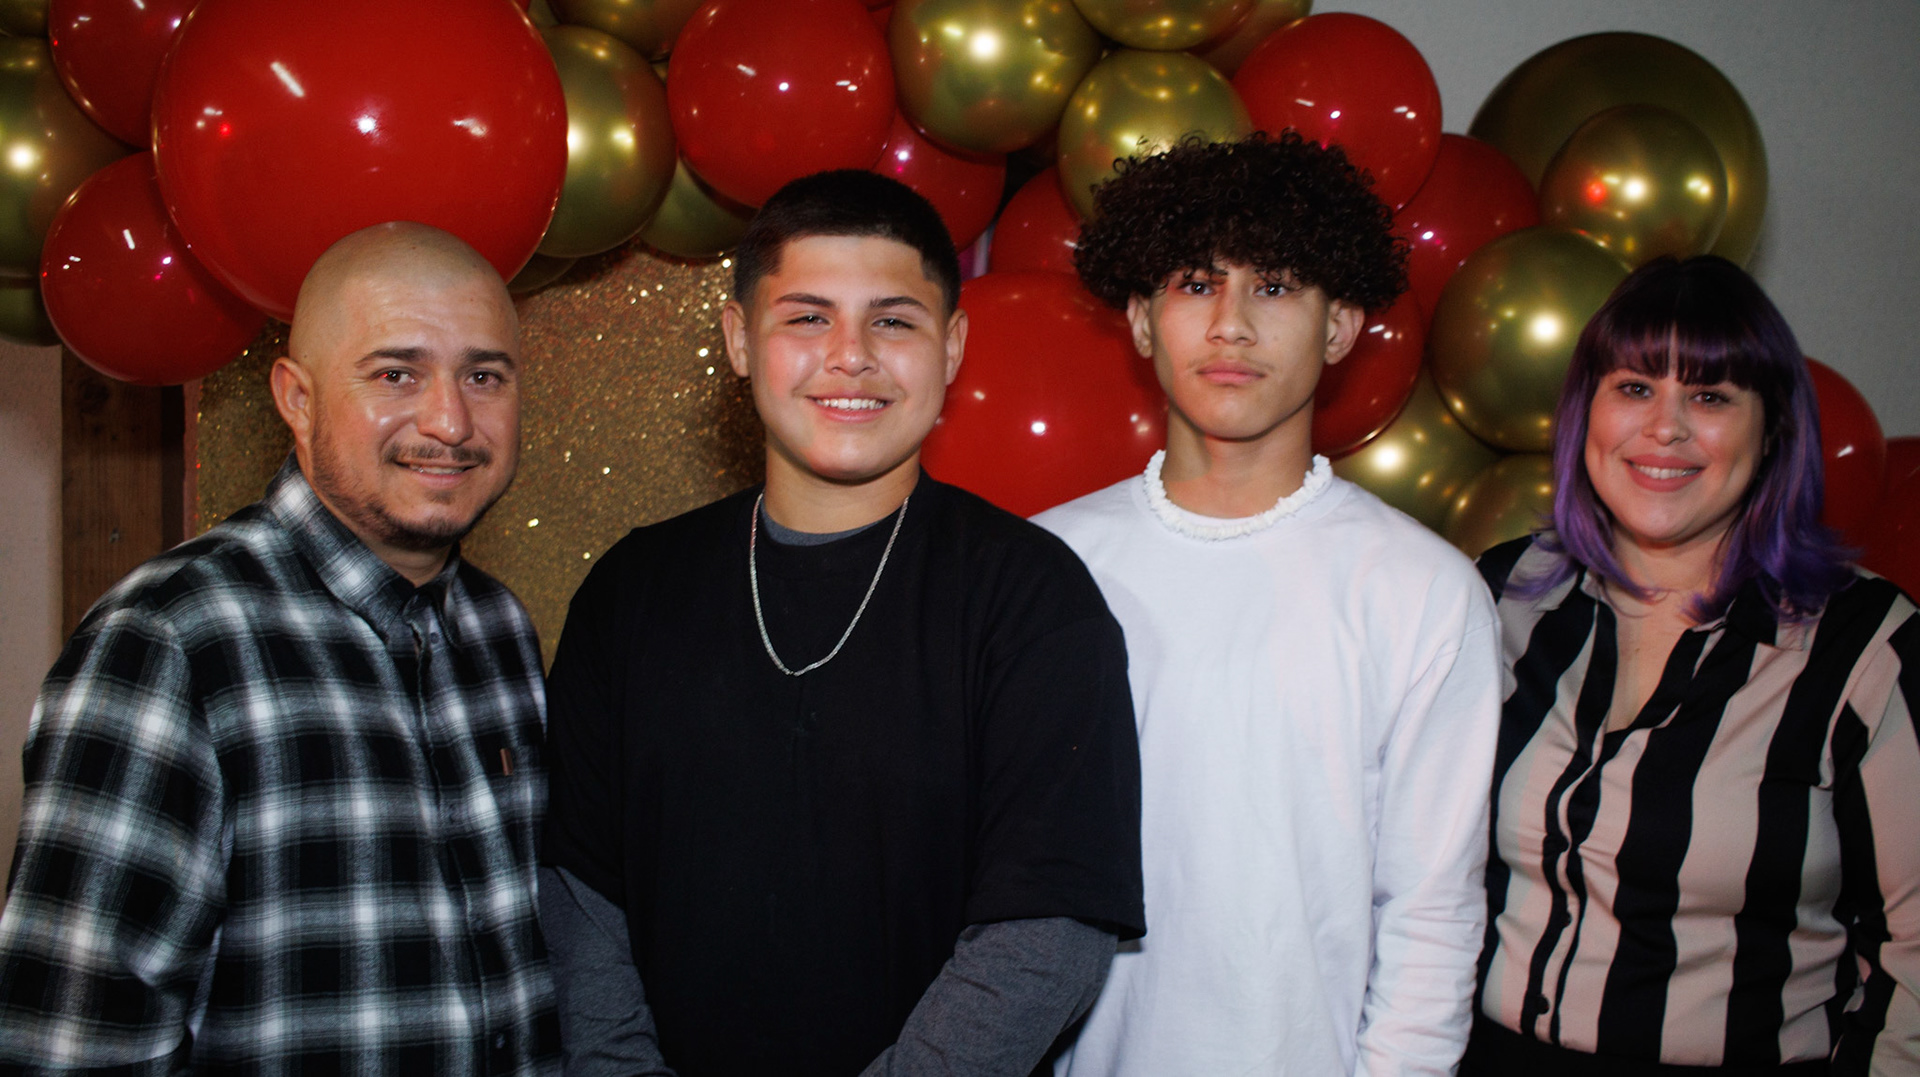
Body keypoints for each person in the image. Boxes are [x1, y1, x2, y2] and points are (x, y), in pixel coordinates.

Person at [538, 170, 1144, 1077]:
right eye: (807, 317)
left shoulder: (1033, 596)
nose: (850, 355)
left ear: (952, 347)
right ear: (739, 340)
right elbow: (580, 890)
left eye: (893, 321)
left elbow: (1050, 930)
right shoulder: (631, 588)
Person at [0, 223, 557, 1073]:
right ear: (296, 398)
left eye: (484, 376)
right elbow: (70, 1044)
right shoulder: (169, 641)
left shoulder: (500, 630)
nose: (449, 421)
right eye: (396, 373)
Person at [1035, 132, 1502, 1076]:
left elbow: (1432, 910)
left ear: (1341, 327)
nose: (1232, 326)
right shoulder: (1046, 564)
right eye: (1197, 284)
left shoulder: (1422, 591)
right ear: (1141, 319)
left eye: (1276, 286)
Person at [1464, 255, 1920, 1075]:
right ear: (1586, 411)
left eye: (1709, 396)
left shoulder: (1867, 648)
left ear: (1772, 430)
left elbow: (1915, 957)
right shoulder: (1503, 596)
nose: (1665, 428)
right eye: (1635, 387)